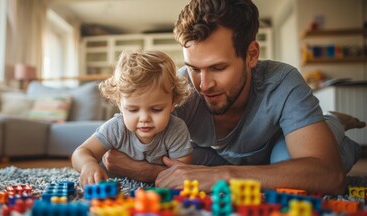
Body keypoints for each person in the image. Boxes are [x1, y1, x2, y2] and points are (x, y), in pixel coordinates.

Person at [101, 0, 365, 195]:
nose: (203, 85)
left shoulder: (282, 82)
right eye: (194, 68)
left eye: (218, 68)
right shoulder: (179, 89)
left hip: (281, 145)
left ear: (251, 55)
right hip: (229, 155)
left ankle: (333, 123)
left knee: (288, 165)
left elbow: (329, 176)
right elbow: (114, 155)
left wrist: (221, 175)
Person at [71, 49, 193, 186]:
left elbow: (181, 173)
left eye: (156, 109)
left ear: (173, 103)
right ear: (119, 104)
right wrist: (88, 164)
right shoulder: (116, 127)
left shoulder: (176, 129)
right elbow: (81, 152)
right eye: (133, 109)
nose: (144, 118)